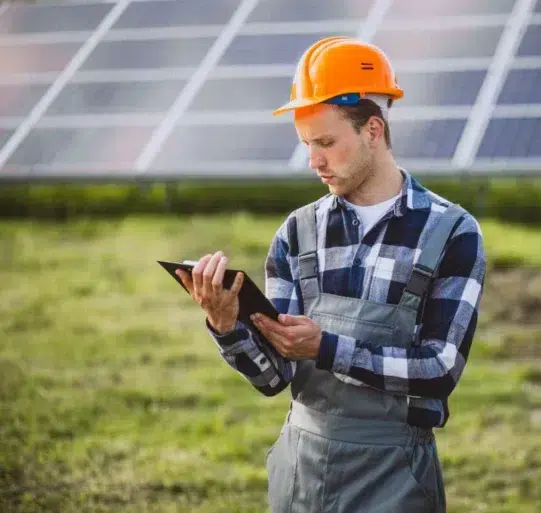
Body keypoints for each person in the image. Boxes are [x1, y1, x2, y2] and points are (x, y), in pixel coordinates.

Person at [176, 36, 487, 513]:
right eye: (306, 144)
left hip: (395, 476)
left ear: (373, 130)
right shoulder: (297, 233)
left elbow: (440, 370)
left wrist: (327, 348)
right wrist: (226, 325)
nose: (314, 161)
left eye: (326, 142)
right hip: (302, 470)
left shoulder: (451, 232)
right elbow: (273, 379)